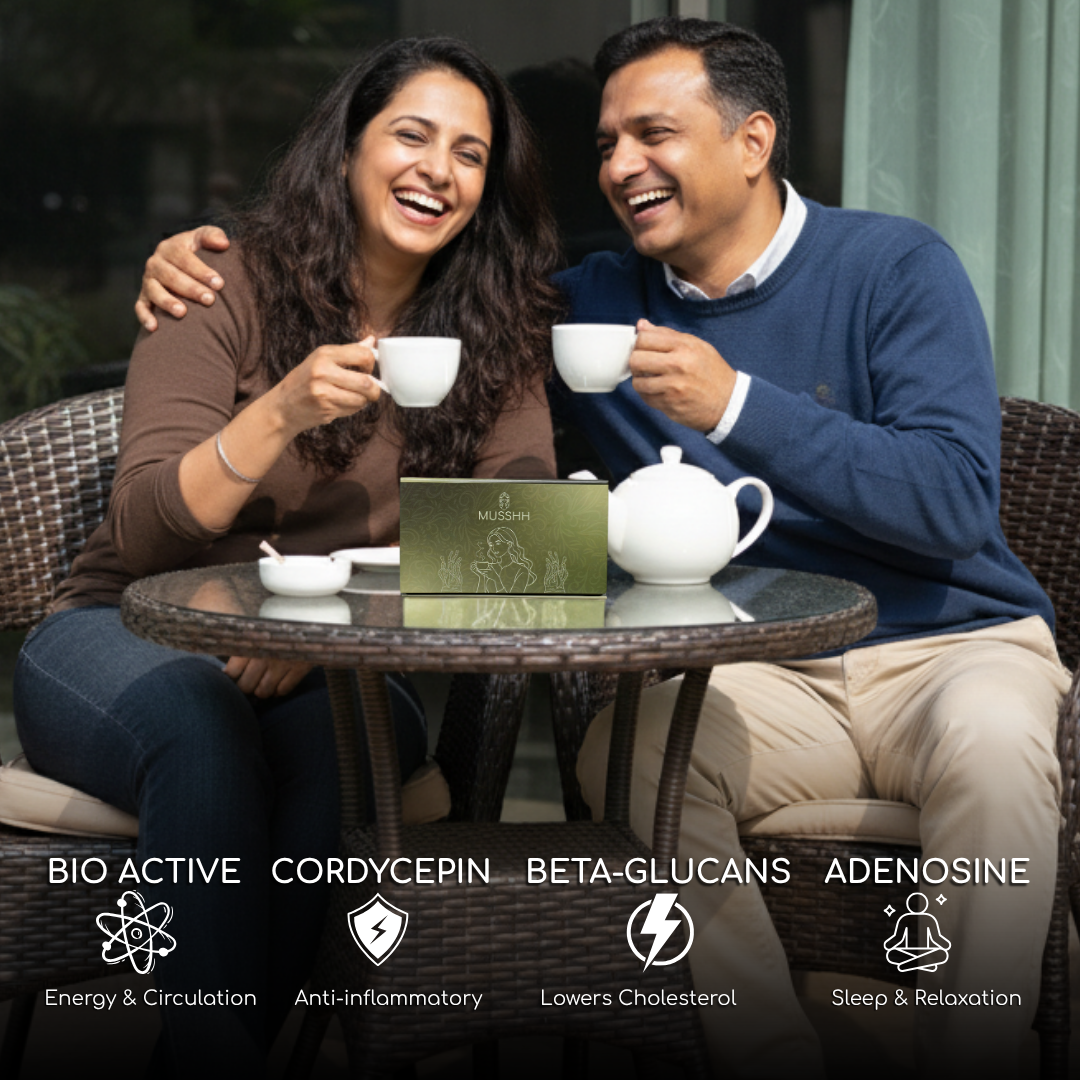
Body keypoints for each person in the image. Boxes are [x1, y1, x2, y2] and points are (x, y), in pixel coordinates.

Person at [134, 18, 1068, 1080]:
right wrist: (196, 254)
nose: (621, 166)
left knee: (995, 743)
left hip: (954, 649)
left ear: (753, 141)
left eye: (653, 135)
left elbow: (953, 503)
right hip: (763, 675)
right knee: (629, 756)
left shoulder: (895, 267)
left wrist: (739, 405)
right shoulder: (591, 307)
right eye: (608, 143)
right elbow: (452, 309)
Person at [16, 36, 561, 1079]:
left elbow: (526, 545)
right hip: (122, 632)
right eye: (411, 135)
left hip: (339, 667)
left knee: (347, 750)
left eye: (470, 154)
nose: (438, 171)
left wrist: (327, 634)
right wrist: (278, 412)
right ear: (348, 147)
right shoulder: (221, 278)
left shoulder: (498, 329)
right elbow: (143, 532)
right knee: (201, 720)